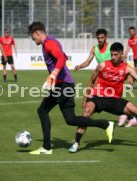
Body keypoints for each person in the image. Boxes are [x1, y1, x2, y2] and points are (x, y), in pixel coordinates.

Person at [27, 22, 115, 155]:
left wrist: (54, 74)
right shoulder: (52, 41)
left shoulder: (49, 43)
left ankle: (46, 147)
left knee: (42, 111)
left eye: (33, 38)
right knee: (71, 120)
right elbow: (63, 56)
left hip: (62, 86)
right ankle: (105, 125)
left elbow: (62, 57)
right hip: (65, 84)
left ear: (37, 33)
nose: (34, 41)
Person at [69, 42, 137, 153]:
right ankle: (76, 143)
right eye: (111, 54)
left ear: (122, 54)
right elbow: (92, 81)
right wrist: (85, 98)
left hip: (114, 100)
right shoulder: (102, 65)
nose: (113, 57)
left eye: (115, 55)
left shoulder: (127, 68)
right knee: (86, 113)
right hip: (97, 97)